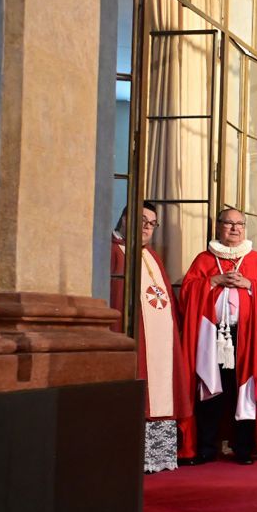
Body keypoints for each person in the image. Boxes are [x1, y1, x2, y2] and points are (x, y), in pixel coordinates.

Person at [176, 208, 257, 465]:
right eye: (229, 224)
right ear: (219, 227)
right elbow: (187, 294)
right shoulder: (204, 260)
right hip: (209, 336)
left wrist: (251, 285)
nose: (235, 229)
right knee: (209, 390)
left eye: (240, 224)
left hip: (245, 336)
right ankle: (206, 447)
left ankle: (243, 447)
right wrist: (213, 281)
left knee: (244, 390)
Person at [110, 202, 191, 473]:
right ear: (124, 218)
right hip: (132, 341)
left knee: (160, 390)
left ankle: (157, 458)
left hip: (160, 343)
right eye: (141, 220)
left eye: (152, 224)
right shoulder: (113, 252)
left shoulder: (152, 257)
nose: (146, 227)